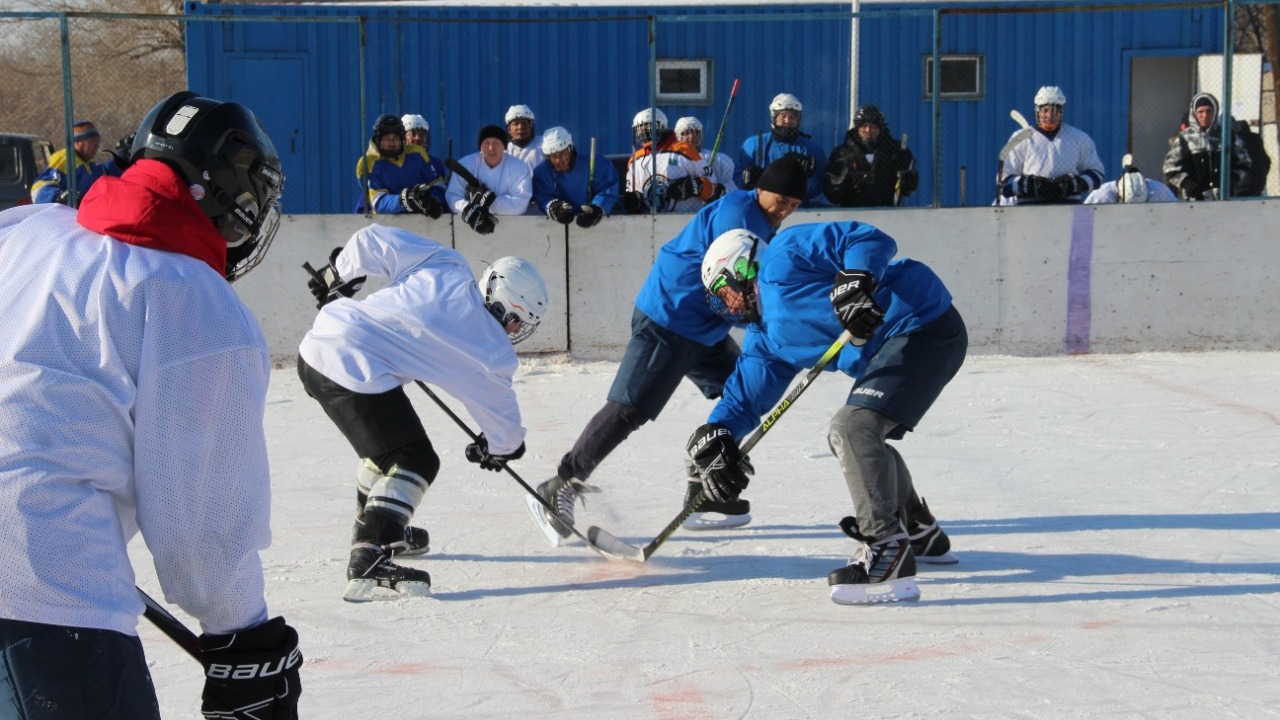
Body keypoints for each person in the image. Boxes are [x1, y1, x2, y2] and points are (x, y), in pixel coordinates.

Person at [0, 91, 301, 718]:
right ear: (220, 190)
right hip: (45, 598)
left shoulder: (28, 230)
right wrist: (243, 638)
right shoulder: (192, 301)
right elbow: (200, 531)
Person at [526, 157, 808, 545]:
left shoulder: (755, 214)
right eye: (781, 200)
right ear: (761, 189)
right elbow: (741, 294)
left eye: (793, 205)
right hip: (670, 318)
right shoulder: (741, 220)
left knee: (742, 395)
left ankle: (703, 487)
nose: (785, 210)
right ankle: (560, 484)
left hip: (705, 328)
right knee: (630, 409)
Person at [687, 222, 967, 605]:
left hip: (920, 321)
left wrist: (856, 281)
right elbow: (744, 400)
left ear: (744, 268)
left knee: (852, 428)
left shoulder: (784, 257)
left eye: (724, 291)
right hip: (894, 348)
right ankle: (919, 530)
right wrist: (717, 432)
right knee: (862, 432)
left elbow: (868, 239)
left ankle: (885, 546)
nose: (727, 305)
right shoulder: (765, 340)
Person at [298, 225, 549, 602]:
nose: (515, 330)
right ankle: (372, 550)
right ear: (505, 308)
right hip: (350, 369)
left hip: (320, 344)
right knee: (414, 459)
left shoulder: (448, 264)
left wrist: (338, 275)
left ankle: (377, 522)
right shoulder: (491, 350)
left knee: (384, 451)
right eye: (518, 320)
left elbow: (372, 241)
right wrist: (497, 448)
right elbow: (504, 426)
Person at [999, 86, 1105, 205]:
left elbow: (1096, 172)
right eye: (1045, 110)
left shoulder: (1079, 138)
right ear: (1037, 110)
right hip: (1029, 210)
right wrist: (1026, 184)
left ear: (1061, 112)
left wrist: (1077, 183)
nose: (1049, 115)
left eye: (1055, 111)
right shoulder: (1020, 138)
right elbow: (1004, 180)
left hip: (1069, 208)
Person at [735, 93, 827, 206]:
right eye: (783, 116)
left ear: (798, 120)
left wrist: (802, 184)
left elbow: (820, 182)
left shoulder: (812, 149)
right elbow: (738, 176)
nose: (787, 120)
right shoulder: (754, 145)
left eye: (792, 117)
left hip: (798, 207)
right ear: (774, 118)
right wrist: (747, 181)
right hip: (760, 207)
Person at [823, 105, 918, 207]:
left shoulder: (895, 152)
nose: (868, 130)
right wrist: (841, 182)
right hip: (851, 213)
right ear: (857, 128)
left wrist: (908, 180)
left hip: (887, 211)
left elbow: (908, 189)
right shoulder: (842, 153)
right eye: (864, 126)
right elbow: (832, 194)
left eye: (873, 126)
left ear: (880, 129)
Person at [445, 125, 533, 234]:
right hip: (469, 231)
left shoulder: (519, 168)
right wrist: (470, 209)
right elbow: (453, 196)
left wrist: (489, 203)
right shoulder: (465, 165)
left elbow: (520, 203)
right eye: (486, 143)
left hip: (512, 232)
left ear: (504, 147)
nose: (491, 148)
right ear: (480, 146)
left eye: (496, 143)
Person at [354, 114, 447, 218]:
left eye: (395, 138)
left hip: (424, 222)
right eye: (386, 138)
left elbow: (437, 185)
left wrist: (433, 201)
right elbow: (378, 203)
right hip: (385, 225)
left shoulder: (418, 154)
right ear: (378, 138)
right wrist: (405, 199)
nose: (391, 143)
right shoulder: (368, 163)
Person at [1162, 92, 1251, 201]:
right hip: (1194, 200)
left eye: (1209, 111)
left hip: (1223, 198)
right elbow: (1170, 169)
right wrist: (1188, 184)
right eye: (1201, 112)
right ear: (1194, 113)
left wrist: (1229, 180)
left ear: (1215, 112)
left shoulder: (1227, 136)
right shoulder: (1184, 138)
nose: (1205, 115)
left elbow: (1245, 163)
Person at [532, 126, 620, 228]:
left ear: (570, 148)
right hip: (557, 231)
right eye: (553, 156)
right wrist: (554, 207)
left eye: (562, 154)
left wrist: (597, 208)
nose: (558, 160)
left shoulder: (599, 165)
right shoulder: (542, 173)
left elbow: (608, 190)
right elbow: (543, 197)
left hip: (600, 229)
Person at [29, 119, 122, 205]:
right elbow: (40, 186)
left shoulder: (87, 166)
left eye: (98, 141)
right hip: (62, 217)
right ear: (77, 142)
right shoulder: (67, 158)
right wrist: (58, 197)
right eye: (92, 141)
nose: (97, 145)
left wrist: (124, 155)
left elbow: (106, 172)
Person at [675, 116, 738, 194]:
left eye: (696, 132)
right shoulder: (671, 160)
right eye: (687, 133)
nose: (691, 136)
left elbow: (734, 184)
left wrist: (718, 191)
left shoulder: (719, 159)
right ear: (678, 136)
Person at [1083, 155, 1177, 204]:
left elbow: (1176, 214)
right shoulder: (1102, 196)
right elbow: (1084, 219)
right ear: (1119, 195)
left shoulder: (1160, 193)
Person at [401, 112, 448, 185]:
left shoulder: (436, 163)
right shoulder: (396, 164)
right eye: (413, 134)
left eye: (422, 134)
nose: (418, 138)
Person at [504, 104, 545, 171]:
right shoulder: (503, 152)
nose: (520, 127)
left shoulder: (544, 144)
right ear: (509, 128)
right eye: (516, 123)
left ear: (531, 126)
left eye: (524, 123)